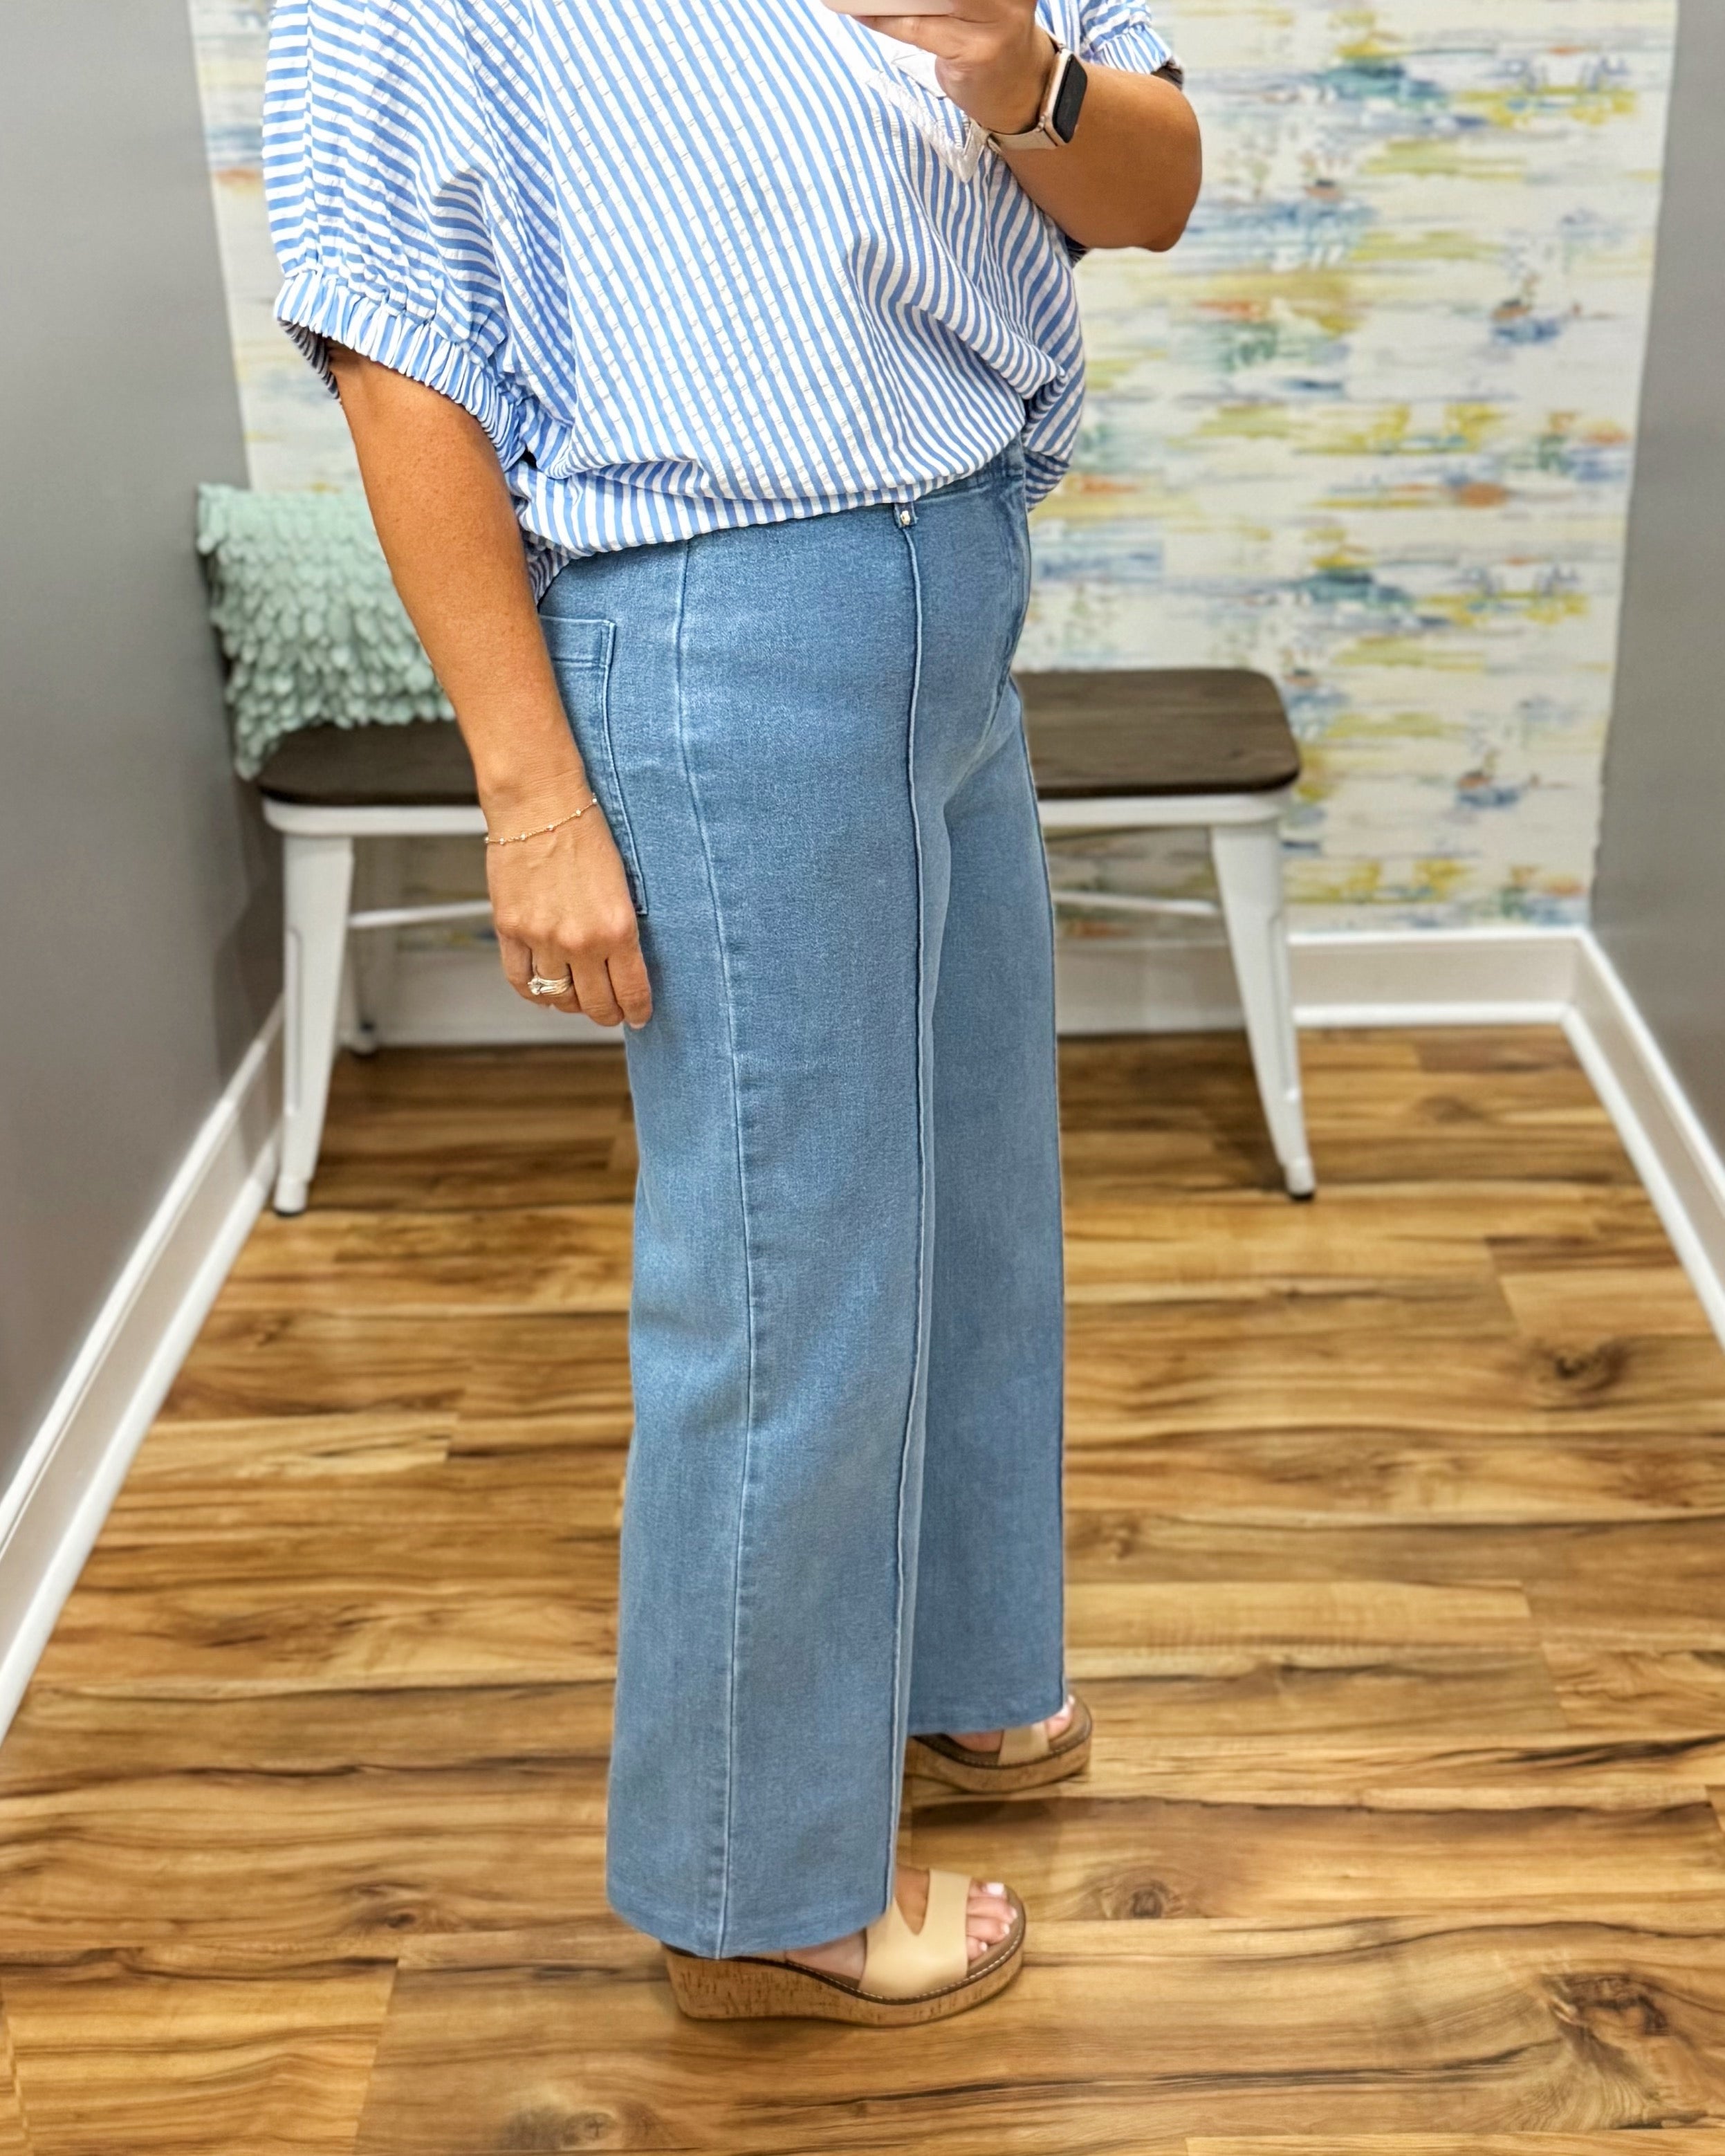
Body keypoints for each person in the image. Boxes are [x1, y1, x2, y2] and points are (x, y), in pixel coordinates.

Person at [263, 0, 1199, 2026]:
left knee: (970, 1199)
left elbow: (1156, 191)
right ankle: (754, 1890)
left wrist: (1007, 59)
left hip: (956, 576)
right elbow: (389, 341)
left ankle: (961, 1677)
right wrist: (528, 796)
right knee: (787, 1272)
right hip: (725, 614)